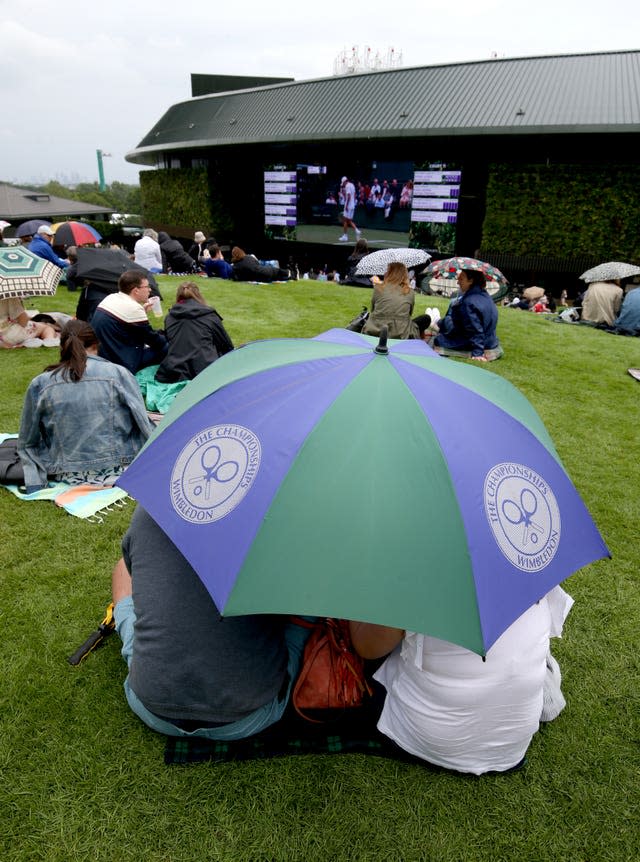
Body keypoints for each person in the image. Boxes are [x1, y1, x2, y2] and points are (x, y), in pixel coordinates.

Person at [111, 506, 312, 740]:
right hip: (249, 716)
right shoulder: (273, 520)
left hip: (151, 707)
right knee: (307, 610)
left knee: (122, 571)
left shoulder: (151, 508)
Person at [349, 586, 573, 775]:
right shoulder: (529, 555)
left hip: (436, 738)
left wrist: (353, 592)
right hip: (513, 740)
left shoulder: (411, 568)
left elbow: (366, 648)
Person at [17, 320, 152, 493]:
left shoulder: (41, 383)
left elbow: (27, 441)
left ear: (62, 347)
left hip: (67, 474)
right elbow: (143, 425)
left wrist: (35, 485)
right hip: (120, 469)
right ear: (96, 344)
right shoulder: (118, 374)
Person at [155, 281, 234, 383]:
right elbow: (226, 345)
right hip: (204, 369)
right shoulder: (209, 316)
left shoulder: (170, 317)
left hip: (174, 369)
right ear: (199, 295)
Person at [91, 270, 168, 375]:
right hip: (122, 362)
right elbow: (155, 341)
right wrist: (170, 338)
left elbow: (126, 325)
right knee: (169, 346)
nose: (150, 290)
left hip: (104, 354)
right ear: (136, 290)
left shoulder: (111, 297)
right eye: (147, 287)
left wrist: (142, 311)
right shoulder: (134, 309)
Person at [431, 269, 503, 361]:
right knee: (449, 316)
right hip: (490, 340)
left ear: (471, 281)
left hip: (473, 341)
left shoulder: (469, 303)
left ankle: (436, 321)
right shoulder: (485, 296)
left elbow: (475, 330)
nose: (458, 282)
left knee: (440, 338)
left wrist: (478, 353)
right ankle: (438, 321)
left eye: (461, 279)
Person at [362, 261, 423, 340]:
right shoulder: (410, 291)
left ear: (388, 273)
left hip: (375, 330)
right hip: (401, 333)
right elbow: (409, 313)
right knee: (425, 319)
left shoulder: (378, 288)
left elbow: (373, 310)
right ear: (405, 274)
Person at [338, 176, 361, 242]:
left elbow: (349, 196)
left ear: (345, 181)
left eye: (343, 183)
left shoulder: (347, 186)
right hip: (353, 205)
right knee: (349, 221)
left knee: (345, 220)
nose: (343, 185)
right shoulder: (352, 185)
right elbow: (353, 195)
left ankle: (345, 236)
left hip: (348, 206)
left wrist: (346, 206)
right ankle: (357, 231)